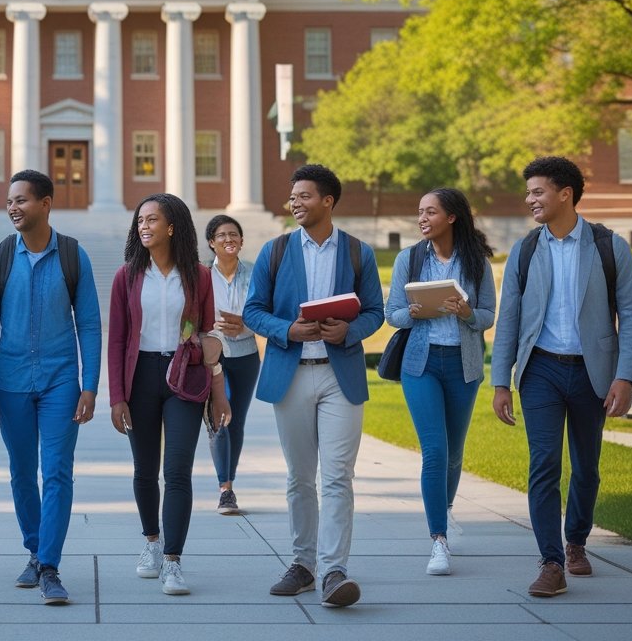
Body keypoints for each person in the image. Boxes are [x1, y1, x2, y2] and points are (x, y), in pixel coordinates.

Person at [491, 156, 632, 598]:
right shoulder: (525, 249)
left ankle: (576, 541)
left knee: (586, 466)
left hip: (592, 372)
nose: (530, 200)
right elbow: (509, 321)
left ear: (565, 194)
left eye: (538, 192)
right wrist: (501, 381)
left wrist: (626, 378)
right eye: (528, 193)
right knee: (543, 464)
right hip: (540, 369)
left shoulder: (608, 246)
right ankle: (551, 561)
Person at [242, 164, 384, 608]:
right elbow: (253, 311)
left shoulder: (359, 252)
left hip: (340, 375)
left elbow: (375, 311)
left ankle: (334, 571)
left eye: (304, 196)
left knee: (338, 476)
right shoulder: (276, 251)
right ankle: (303, 565)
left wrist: (351, 332)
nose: (295, 203)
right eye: (292, 197)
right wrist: (286, 331)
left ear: (328, 201)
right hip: (292, 375)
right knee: (300, 478)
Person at [0, 169, 103, 605]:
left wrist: (90, 385)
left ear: (46, 203)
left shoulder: (73, 255)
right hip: (9, 382)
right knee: (22, 472)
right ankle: (34, 548)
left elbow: (88, 323)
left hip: (61, 380)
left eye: (22, 200)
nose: (13, 207)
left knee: (58, 471)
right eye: (10, 200)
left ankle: (49, 565)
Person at [108, 193, 231, 597]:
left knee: (177, 470)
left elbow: (211, 336)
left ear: (172, 226)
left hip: (186, 376)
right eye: (140, 220)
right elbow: (118, 340)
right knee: (145, 469)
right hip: (140, 376)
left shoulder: (199, 275)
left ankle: (174, 562)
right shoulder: (126, 276)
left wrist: (219, 391)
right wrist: (116, 397)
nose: (144, 226)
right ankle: (152, 543)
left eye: (152, 220)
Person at [385, 188, 496, 575]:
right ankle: (438, 541)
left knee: (453, 453)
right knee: (434, 451)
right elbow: (391, 313)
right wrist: (412, 313)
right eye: (420, 212)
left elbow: (488, 316)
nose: (422, 218)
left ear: (451, 217)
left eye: (430, 212)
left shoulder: (477, 263)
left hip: (463, 365)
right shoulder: (409, 258)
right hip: (422, 363)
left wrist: (467, 311)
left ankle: (445, 513)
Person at [203, 214, 262, 515]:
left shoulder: (256, 273)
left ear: (241, 241)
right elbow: (187, 317)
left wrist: (245, 325)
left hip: (247, 356)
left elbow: (266, 313)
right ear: (211, 242)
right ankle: (224, 490)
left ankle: (230, 482)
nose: (229, 239)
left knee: (235, 422)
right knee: (219, 419)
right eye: (222, 235)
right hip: (213, 357)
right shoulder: (201, 276)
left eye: (234, 234)